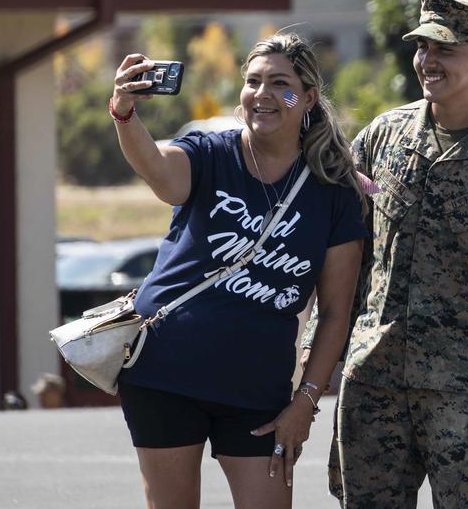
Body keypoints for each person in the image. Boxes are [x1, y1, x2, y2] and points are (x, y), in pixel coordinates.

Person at [302, 0, 468, 507]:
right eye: (422, 46)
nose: (428, 61)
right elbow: (348, 254)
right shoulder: (383, 137)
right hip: (374, 377)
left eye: (445, 48)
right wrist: (320, 344)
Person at [108, 32, 366, 509]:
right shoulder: (209, 154)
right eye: (253, 81)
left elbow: (335, 312)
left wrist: (305, 404)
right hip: (164, 374)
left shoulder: (334, 192)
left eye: (280, 83)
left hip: (258, 392)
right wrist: (125, 113)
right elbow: (159, 173)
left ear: (307, 97)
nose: (263, 94)